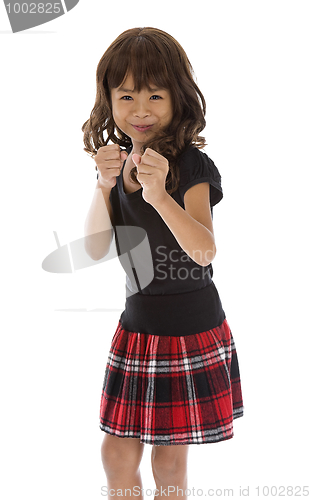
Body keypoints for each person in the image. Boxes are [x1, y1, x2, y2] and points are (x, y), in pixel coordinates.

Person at [82, 27, 244, 498]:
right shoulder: (115, 167)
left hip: (190, 328)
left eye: (155, 94)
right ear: (108, 101)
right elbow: (94, 249)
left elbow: (204, 251)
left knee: (168, 461)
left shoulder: (192, 167)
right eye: (127, 95)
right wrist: (102, 188)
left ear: (178, 99)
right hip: (137, 328)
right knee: (115, 454)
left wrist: (159, 196)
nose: (140, 109)